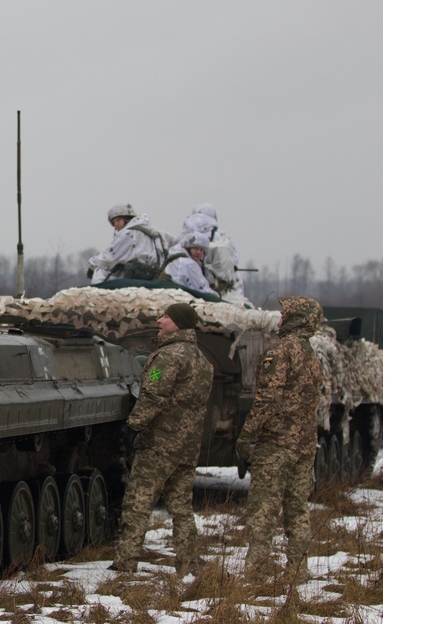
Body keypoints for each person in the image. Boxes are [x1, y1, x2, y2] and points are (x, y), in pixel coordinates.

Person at [110, 303, 214, 577]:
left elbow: (153, 396)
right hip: (187, 448)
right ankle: (188, 564)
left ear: (178, 323)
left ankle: (126, 563)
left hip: (158, 445)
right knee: (181, 508)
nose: (159, 320)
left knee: (138, 503)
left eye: (165, 316)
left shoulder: (168, 357)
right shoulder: (203, 361)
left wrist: (133, 427)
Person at [237, 296, 326, 582]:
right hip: (304, 446)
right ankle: (298, 570)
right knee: (298, 511)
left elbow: (267, 399)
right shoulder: (311, 354)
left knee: (263, 509)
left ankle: (256, 572)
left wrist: (246, 435)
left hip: (276, 445)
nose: (279, 317)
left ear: (296, 318)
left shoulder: (281, 350)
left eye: (284, 313)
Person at [182, 203, 248, 305]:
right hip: (229, 282)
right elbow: (234, 259)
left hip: (217, 284)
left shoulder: (196, 236)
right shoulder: (223, 236)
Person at [88, 204, 171, 283]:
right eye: (113, 222)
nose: (115, 224)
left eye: (118, 220)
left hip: (142, 274)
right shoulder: (154, 231)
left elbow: (108, 258)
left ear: (126, 219)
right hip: (159, 274)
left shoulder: (128, 233)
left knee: (101, 270)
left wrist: (93, 265)